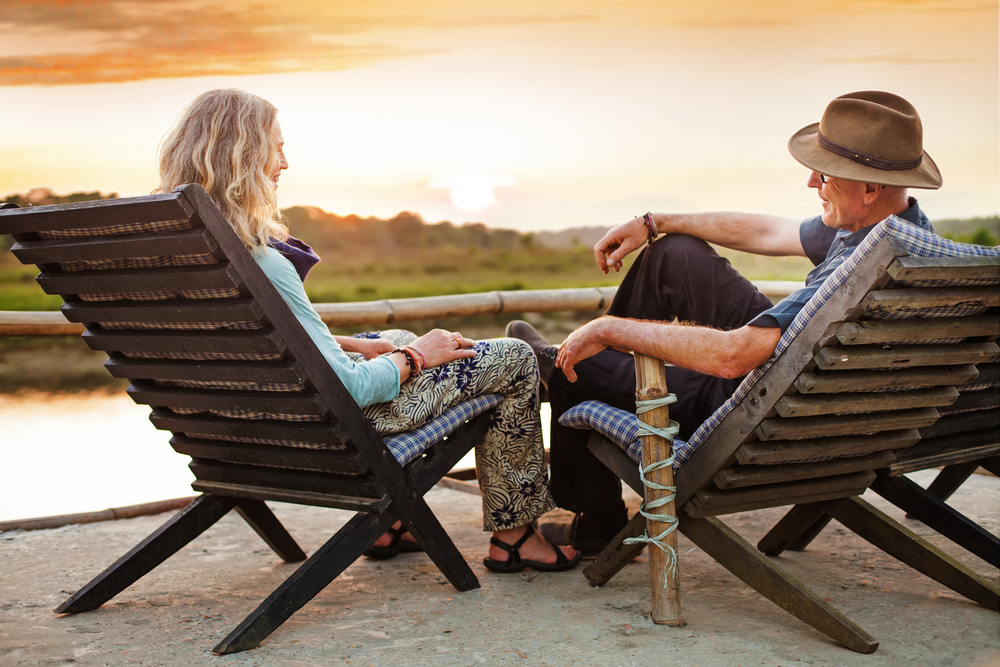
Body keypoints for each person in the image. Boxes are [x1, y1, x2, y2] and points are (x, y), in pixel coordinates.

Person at [156, 88, 580, 573]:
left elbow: (249, 341)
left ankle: (390, 521)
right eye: (277, 148)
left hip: (237, 432)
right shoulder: (262, 262)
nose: (285, 162)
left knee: (390, 339)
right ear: (245, 156)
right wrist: (418, 356)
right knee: (514, 358)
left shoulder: (180, 255)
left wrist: (358, 344)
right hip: (329, 433)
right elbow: (354, 389)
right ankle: (515, 537)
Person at [507, 90, 942, 556]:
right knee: (675, 254)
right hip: (809, 386)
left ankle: (597, 519)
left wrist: (606, 330)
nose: (811, 181)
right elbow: (769, 231)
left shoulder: (857, 271)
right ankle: (596, 365)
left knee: (570, 367)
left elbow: (734, 356)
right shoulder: (903, 233)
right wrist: (656, 222)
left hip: (761, 407)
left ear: (869, 187)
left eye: (824, 174)